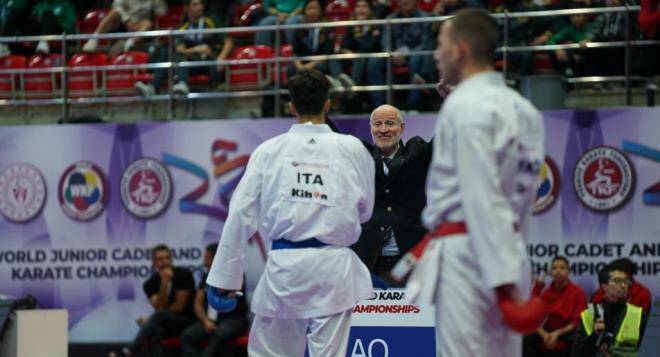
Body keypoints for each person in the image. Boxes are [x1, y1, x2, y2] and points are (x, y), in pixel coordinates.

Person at [205, 68, 375, 357]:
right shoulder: (352, 148)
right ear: (327, 103)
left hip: (286, 270)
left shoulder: (269, 151)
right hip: (333, 271)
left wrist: (224, 278)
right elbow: (365, 211)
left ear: (291, 106)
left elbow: (240, 213)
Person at [406, 9, 546, 356]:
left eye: (440, 44)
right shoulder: (524, 109)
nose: (435, 54)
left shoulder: (464, 107)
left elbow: (480, 194)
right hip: (509, 249)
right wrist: (511, 268)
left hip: (470, 258)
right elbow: (524, 197)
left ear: (460, 49)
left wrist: (500, 283)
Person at [351, 104, 432, 282]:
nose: (383, 129)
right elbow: (332, 139)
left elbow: (443, 139)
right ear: (371, 128)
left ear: (402, 127)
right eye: (377, 124)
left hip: (412, 261)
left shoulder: (417, 152)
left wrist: (451, 101)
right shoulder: (361, 156)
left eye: (390, 123)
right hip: (368, 260)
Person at [109, 244, 196, 357]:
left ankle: (128, 352)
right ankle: (129, 352)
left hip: (186, 319)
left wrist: (150, 319)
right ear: (154, 263)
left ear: (171, 259)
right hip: (166, 322)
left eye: (167, 258)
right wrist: (164, 283)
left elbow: (179, 307)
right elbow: (159, 307)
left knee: (155, 320)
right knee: (154, 333)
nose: (164, 261)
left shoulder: (184, 275)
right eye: (160, 259)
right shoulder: (150, 283)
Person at [135, 0, 233, 96]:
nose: (200, 7)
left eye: (201, 4)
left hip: (209, 62)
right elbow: (180, 49)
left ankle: (155, 87)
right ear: (187, 8)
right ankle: (174, 85)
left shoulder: (212, 21)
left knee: (172, 54)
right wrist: (196, 49)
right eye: (195, 4)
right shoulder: (183, 27)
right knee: (171, 53)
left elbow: (228, 42)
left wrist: (221, 57)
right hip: (191, 64)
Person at [180, 243, 248, 357]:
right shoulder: (205, 277)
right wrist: (205, 320)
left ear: (217, 258)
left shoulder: (236, 275)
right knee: (187, 336)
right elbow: (197, 303)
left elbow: (222, 291)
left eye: (207, 258)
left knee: (219, 334)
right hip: (211, 320)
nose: (204, 262)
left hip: (234, 320)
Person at [573, 264, 649, 356]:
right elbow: (577, 353)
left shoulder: (639, 315)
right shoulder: (590, 314)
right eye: (617, 281)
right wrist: (595, 335)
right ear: (604, 286)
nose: (623, 286)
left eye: (626, 281)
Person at [523, 256, 587, 357]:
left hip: (566, 331)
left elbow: (577, 321)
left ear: (568, 271)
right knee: (528, 335)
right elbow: (533, 315)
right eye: (554, 268)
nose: (558, 271)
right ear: (551, 273)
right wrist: (544, 334)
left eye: (562, 268)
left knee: (576, 337)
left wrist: (557, 333)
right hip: (548, 330)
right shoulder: (547, 292)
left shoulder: (578, 292)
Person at [82, 0, 168, 54]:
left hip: (141, 25)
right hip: (124, 22)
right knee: (114, 12)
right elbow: (116, 6)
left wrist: (158, 1)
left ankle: (129, 44)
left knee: (148, 23)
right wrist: (127, 20)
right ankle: (94, 40)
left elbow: (162, 12)